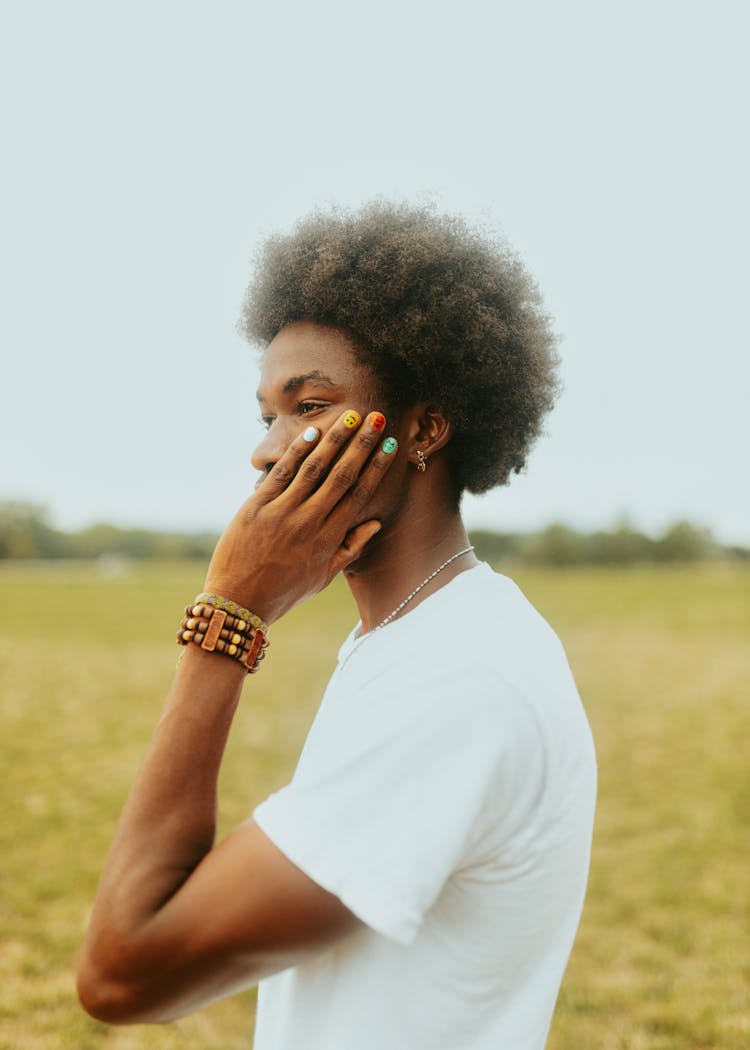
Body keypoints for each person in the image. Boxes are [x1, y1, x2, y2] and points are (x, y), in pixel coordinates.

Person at [77, 202, 597, 1049]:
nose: (267, 450)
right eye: (266, 416)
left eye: (310, 406)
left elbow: (123, 966)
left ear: (424, 428)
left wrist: (228, 617)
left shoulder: (462, 682)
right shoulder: (422, 631)